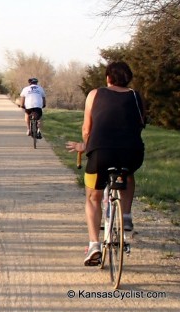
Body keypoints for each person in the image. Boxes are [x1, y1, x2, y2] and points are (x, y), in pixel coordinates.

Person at [66, 61, 146, 266]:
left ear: (108, 78)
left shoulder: (94, 94)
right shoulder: (137, 97)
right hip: (132, 153)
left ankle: (94, 245)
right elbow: (140, 124)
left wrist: (85, 146)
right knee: (128, 174)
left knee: (93, 197)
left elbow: (87, 129)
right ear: (128, 79)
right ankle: (126, 216)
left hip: (101, 153)